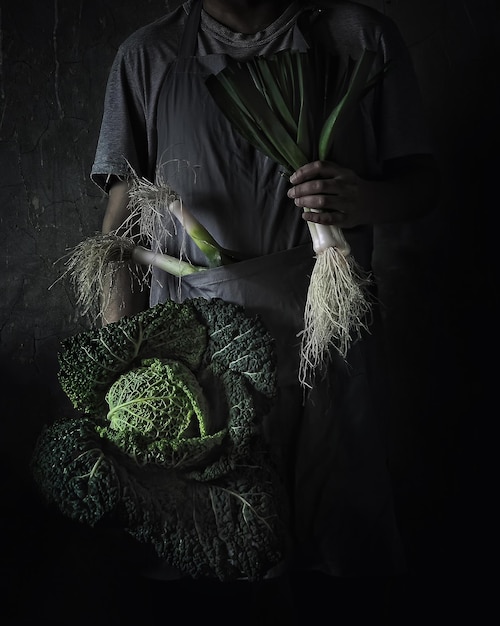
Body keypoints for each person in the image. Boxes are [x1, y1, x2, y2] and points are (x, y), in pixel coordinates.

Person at [90, 0, 440, 622]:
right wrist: (121, 361)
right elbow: (118, 233)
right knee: (213, 561)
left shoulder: (359, 37)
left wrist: (363, 199)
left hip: (329, 336)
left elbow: (423, 185)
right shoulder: (148, 56)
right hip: (198, 354)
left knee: (333, 560)